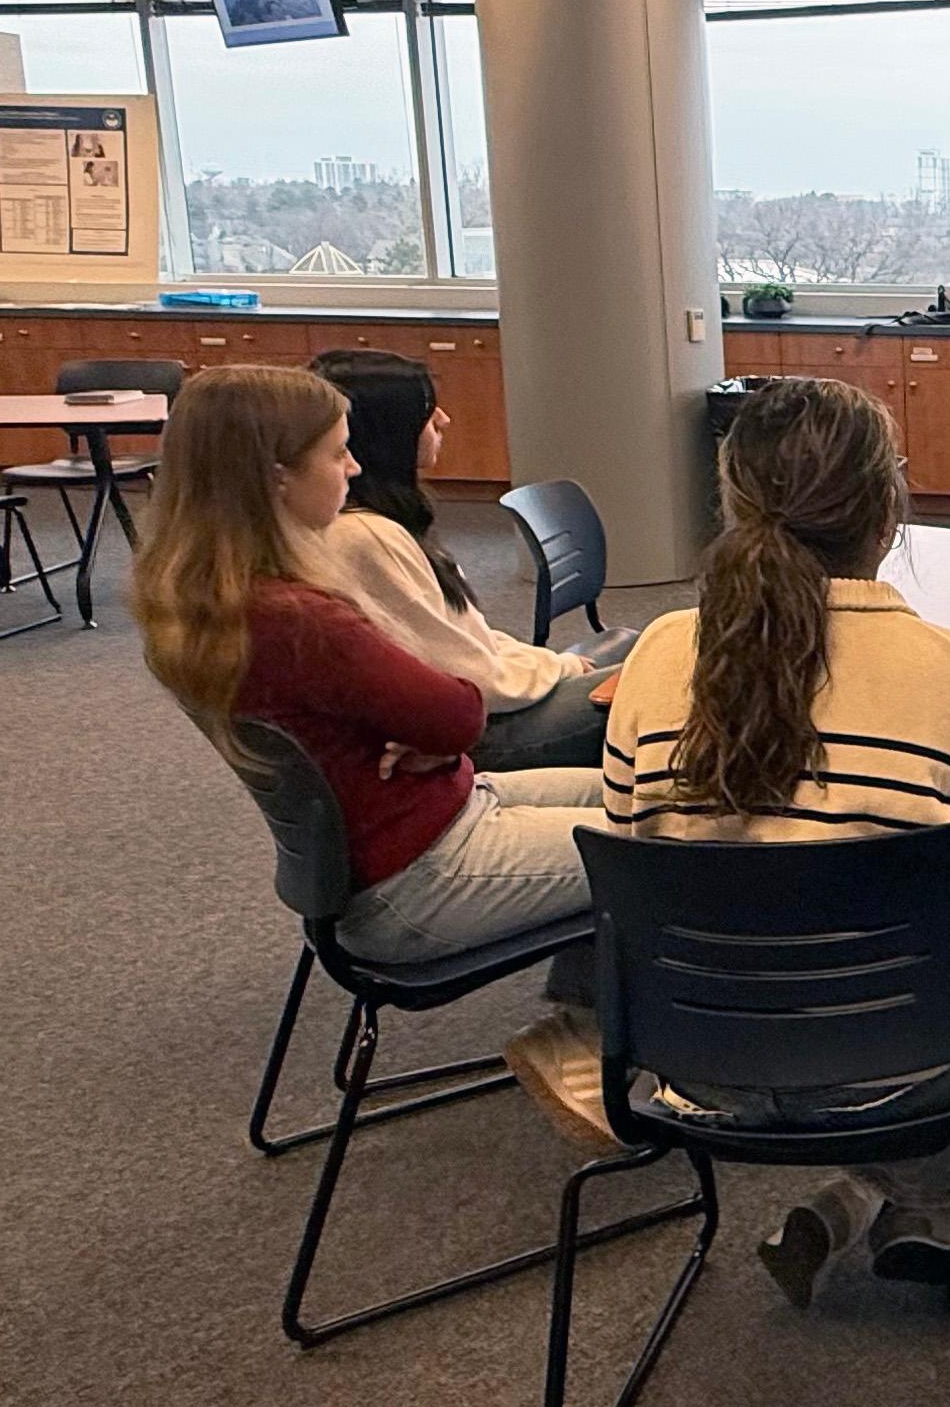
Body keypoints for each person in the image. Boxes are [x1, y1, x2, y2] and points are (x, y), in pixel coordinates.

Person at [600, 378, 950, 1306]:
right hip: (901, 1056)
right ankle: (917, 1193)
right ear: (888, 511)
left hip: (699, 1055)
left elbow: (627, 846)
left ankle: (862, 1197)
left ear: (733, 500)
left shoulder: (655, 654)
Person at [129, 364, 605, 1035]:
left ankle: (592, 1024)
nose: (353, 469)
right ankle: (649, 1061)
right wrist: (426, 728)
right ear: (276, 477)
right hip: (423, 877)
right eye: (336, 452)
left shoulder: (200, 599)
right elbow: (459, 712)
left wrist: (421, 733)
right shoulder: (300, 616)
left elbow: (428, 717)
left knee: (647, 793)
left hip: (412, 834)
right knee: (682, 839)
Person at [307, 348, 617, 772]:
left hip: (478, 709)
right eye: (427, 410)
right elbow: (470, 677)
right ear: (391, 429)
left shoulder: (379, 523)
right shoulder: (366, 537)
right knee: (658, 685)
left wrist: (549, 665)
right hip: (476, 734)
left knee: (646, 653)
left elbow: (467, 640)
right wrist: (560, 666)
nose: (443, 419)